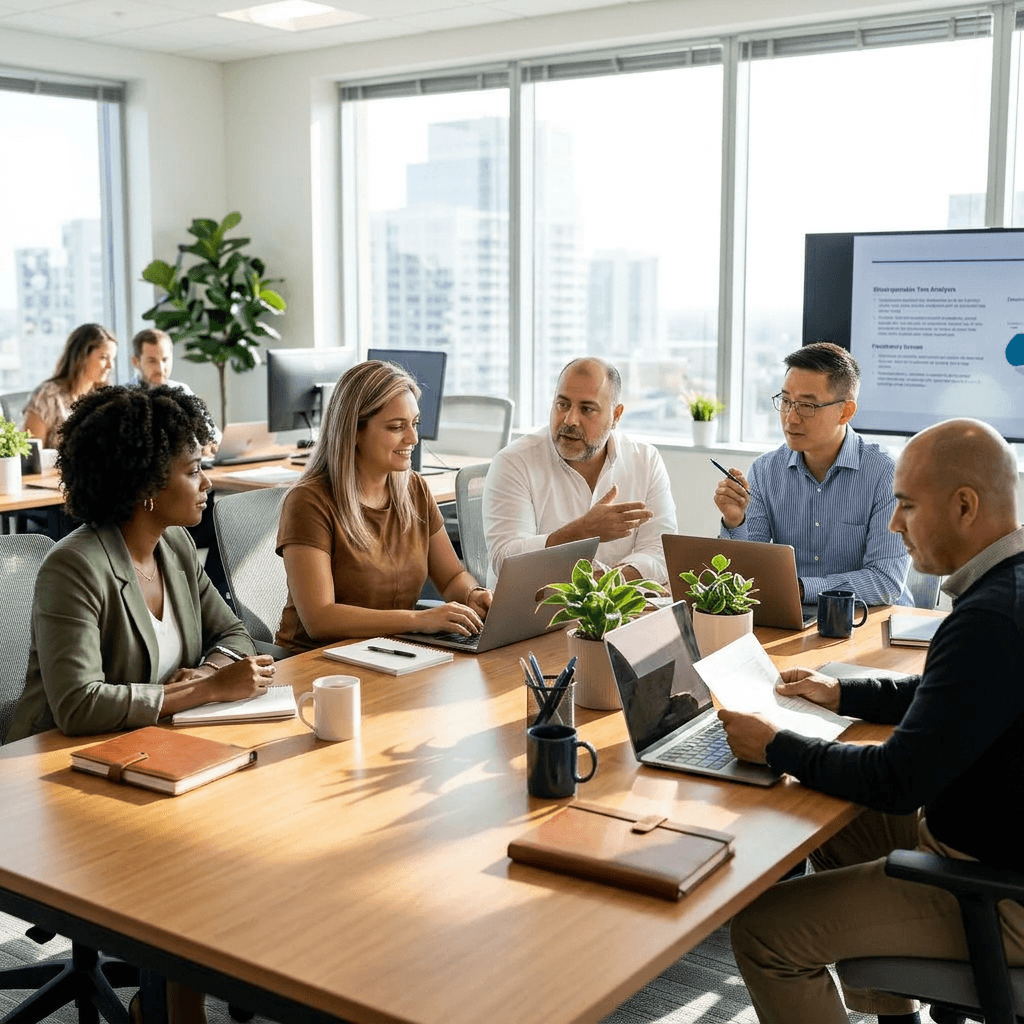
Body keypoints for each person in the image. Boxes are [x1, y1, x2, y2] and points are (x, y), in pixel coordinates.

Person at [719, 417, 1024, 1024]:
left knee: (762, 931)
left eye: (907, 506)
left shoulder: (989, 618)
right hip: (991, 846)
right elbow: (955, 696)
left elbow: (896, 780)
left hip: (995, 890)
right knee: (845, 826)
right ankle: (896, 1017)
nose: (893, 524)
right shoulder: (1007, 591)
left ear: (965, 506)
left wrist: (778, 746)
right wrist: (847, 694)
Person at [6, 384, 275, 743]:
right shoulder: (73, 567)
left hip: (153, 741)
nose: (207, 483)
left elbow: (233, 634)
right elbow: (78, 704)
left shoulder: (174, 544)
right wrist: (207, 689)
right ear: (147, 485)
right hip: (59, 759)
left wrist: (208, 670)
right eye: (194, 470)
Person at [275, 360, 492, 652]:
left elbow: (452, 577)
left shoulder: (414, 488)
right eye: (396, 427)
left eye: (414, 424)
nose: (413, 438)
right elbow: (320, 618)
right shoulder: (309, 501)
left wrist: (471, 594)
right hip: (318, 664)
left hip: (391, 651)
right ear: (353, 432)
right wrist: (418, 619)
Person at [713, 342, 910, 606]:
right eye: (785, 401)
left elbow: (885, 581)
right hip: (793, 620)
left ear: (846, 411)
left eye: (807, 406)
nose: (790, 418)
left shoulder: (885, 474)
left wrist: (803, 588)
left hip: (867, 622)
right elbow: (748, 575)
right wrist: (735, 521)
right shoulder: (765, 471)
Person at [482, 357, 676, 586]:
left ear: (616, 416)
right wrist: (582, 532)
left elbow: (660, 552)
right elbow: (505, 560)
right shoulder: (514, 462)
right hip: (534, 614)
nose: (570, 419)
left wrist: (604, 584)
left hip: (615, 611)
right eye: (562, 404)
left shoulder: (645, 460)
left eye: (587, 409)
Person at [130, 327, 227, 596]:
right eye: (152, 360)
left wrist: (208, 443)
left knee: (226, 524)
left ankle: (218, 595)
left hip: (186, 494)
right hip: (156, 499)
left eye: (165, 359)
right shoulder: (126, 401)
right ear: (136, 361)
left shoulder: (180, 391)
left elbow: (212, 434)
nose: (160, 367)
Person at [22, 323, 118, 448]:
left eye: (113, 358)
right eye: (103, 357)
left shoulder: (104, 396)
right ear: (81, 357)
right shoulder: (47, 397)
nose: (111, 366)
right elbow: (30, 457)